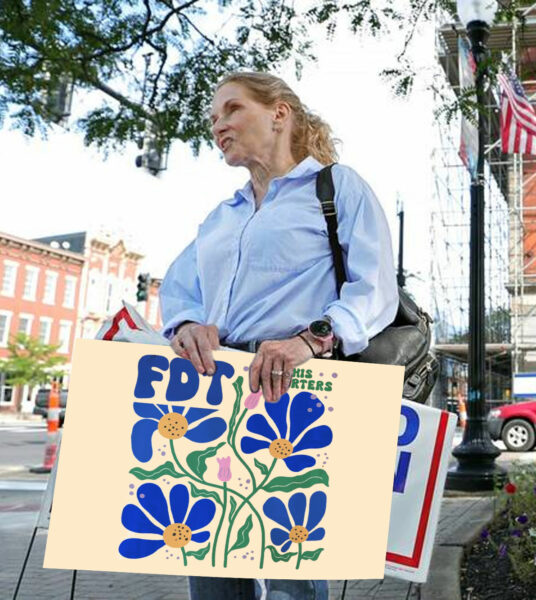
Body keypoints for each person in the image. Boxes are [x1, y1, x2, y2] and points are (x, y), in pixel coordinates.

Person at [159, 71, 398, 600]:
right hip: (214, 398)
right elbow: (178, 289)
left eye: (231, 109)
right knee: (213, 562)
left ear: (279, 113)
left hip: (296, 395)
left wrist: (309, 340)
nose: (217, 125)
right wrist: (185, 326)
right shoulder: (221, 217)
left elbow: (375, 288)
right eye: (213, 118)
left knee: (293, 567)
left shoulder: (337, 187)